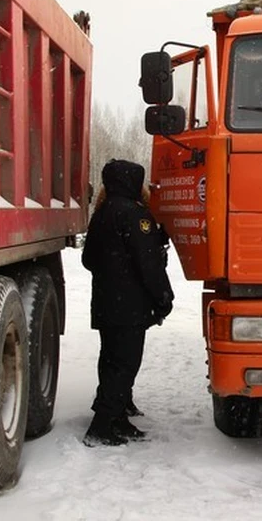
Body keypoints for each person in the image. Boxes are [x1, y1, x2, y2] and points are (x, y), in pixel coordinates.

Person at [81, 159, 173, 446]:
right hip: (129, 306)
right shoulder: (136, 215)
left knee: (110, 360)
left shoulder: (101, 213)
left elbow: (88, 259)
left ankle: (117, 416)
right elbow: (149, 265)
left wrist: (112, 272)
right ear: (133, 182)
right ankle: (102, 425)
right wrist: (164, 297)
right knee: (125, 364)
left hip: (107, 304)